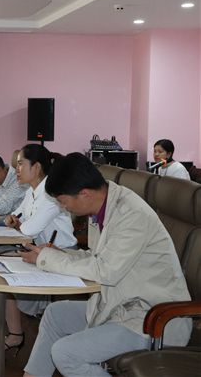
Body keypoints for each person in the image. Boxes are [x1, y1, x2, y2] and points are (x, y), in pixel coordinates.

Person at [21, 152, 191, 377]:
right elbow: (97, 257)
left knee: (65, 353)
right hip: (120, 306)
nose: (63, 208)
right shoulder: (103, 207)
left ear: (84, 193)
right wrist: (57, 254)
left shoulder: (131, 215)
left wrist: (47, 259)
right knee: (54, 315)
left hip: (151, 320)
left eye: (63, 201)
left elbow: (105, 271)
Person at [0, 144, 77, 355]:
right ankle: (12, 331)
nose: (16, 169)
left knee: (2, 267)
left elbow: (28, 228)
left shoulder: (50, 193)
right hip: (39, 251)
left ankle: (13, 332)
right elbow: (14, 217)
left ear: (36, 167)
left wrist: (18, 223)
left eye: (20, 164)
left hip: (61, 254)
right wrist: (17, 222)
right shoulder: (32, 191)